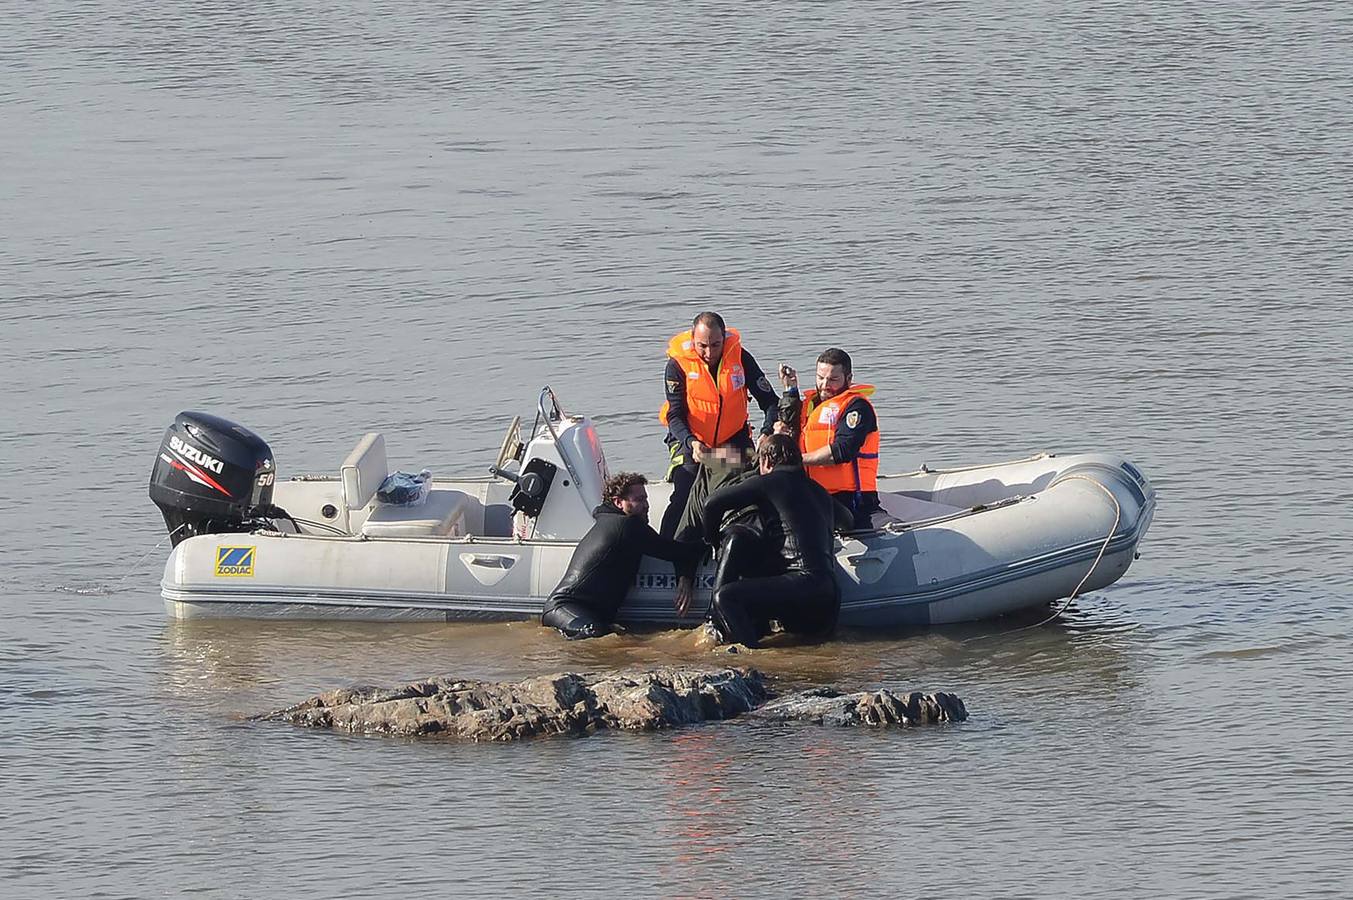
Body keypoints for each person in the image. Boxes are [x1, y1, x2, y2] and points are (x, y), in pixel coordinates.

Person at [699, 434, 853, 648]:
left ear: (767, 461)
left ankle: (756, 660)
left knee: (725, 597)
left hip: (801, 585)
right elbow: (848, 520)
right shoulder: (819, 491)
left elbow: (711, 503)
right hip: (830, 594)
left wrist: (712, 540)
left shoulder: (769, 482)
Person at [658, 311, 780, 538]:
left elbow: (771, 402)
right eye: (702, 345)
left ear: (724, 339)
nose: (709, 352)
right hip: (690, 439)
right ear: (693, 339)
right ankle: (667, 552)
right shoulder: (677, 366)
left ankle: (755, 543)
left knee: (754, 488)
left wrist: (766, 432)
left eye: (715, 345)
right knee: (685, 493)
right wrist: (691, 442)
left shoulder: (741, 358)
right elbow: (674, 415)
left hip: (732, 439)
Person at [541, 472, 703, 640]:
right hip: (565, 608)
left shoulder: (614, 522)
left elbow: (673, 550)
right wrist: (715, 539)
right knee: (595, 634)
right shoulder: (627, 526)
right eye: (639, 500)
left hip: (585, 613)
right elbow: (680, 552)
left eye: (646, 499)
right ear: (619, 502)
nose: (646, 505)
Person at [777, 348, 883, 530]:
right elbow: (793, 433)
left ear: (848, 379)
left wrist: (797, 460)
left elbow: (843, 450)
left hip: (852, 499)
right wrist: (790, 391)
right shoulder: (810, 405)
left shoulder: (857, 407)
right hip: (815, 494)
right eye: (820, 377)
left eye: (833, 379)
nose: (825, 384)